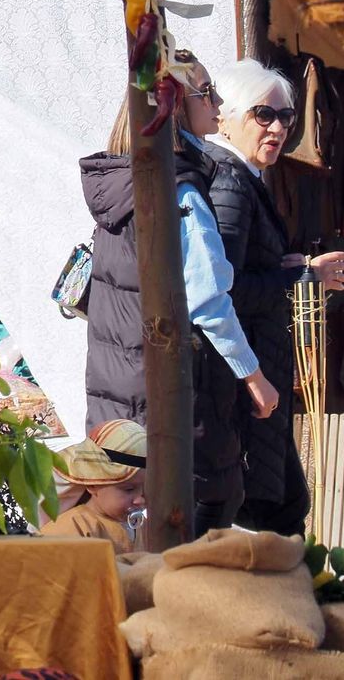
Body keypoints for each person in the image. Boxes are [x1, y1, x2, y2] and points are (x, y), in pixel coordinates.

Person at [79, 49, 278, 534]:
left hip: (117, 388)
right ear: (173, 105)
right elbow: (208, 299)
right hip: (163, 395)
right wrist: (254, 377)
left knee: (130, 534)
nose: (216, 101)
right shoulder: (180, 189)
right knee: (197, 523)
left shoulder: (123, 180)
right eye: (205, 92)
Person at [206, 59, 344, 537]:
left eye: (286, 117)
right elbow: (221, 289)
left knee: (282, 508)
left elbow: (241, 271)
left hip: (252, 377)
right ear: (225, 117)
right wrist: (304, 277)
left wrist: (287, 269)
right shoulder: (230, 183)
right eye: (262, 114)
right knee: (274, 514)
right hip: (242, 383)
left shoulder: (243, 179)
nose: (278, 128)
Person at [39, 420, 147, 553]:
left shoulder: (143, 526)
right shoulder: (71, 529)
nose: (140, 500)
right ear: (93, 483)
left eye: (146, 488)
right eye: (129, 489)